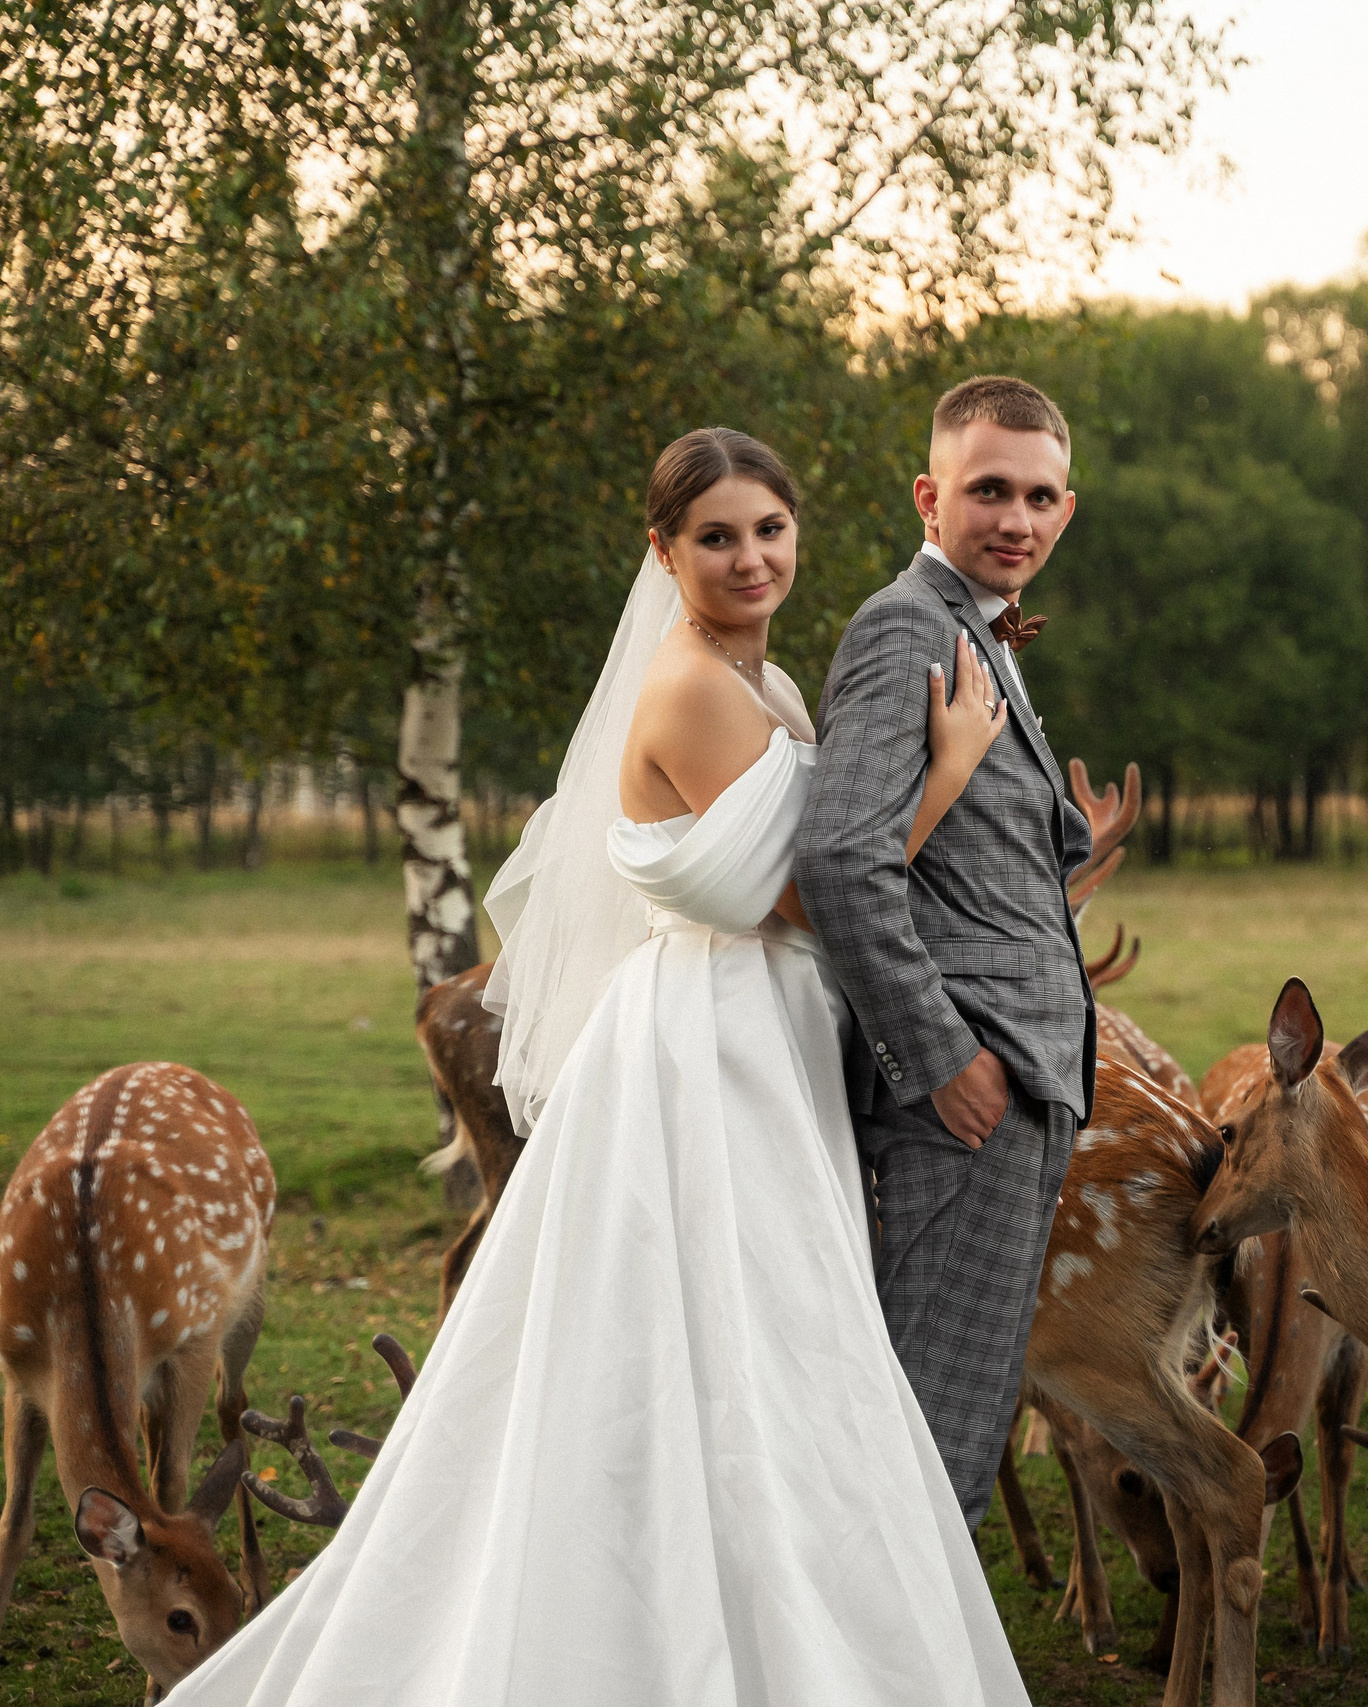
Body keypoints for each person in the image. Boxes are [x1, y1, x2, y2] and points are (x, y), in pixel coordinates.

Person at [166, 428, 1031, 1705]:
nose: (750, 558)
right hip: (709, 1042)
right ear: (664, 552)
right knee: (727, 1340)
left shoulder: (771, 682)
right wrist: (949, 770)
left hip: (769, 1037)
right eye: (717, 537)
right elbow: (805, 894)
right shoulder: (687, 687)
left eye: (769, 531)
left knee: (768, 1344)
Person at [797, 376, 1096, 1529]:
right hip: (965, 1099)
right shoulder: (905, 627)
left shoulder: (981, 626)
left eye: (1037, 496)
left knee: (951, 1436)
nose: (1015, 518)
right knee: (931, 1448)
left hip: (1020, 1084)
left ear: (1066, 511)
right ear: (930, 496)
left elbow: (949, 860)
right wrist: (941, 1057)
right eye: (987, 491)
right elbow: (839, 858)